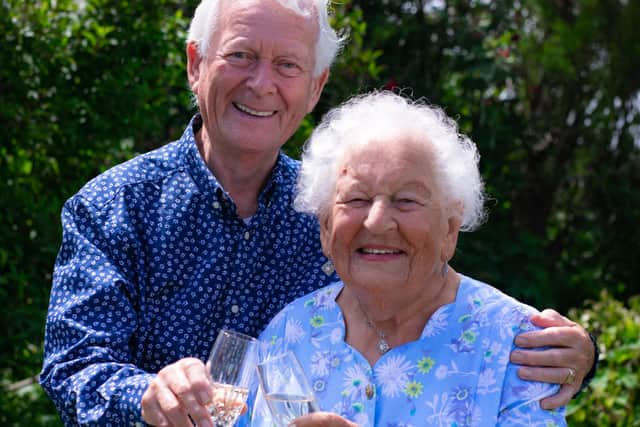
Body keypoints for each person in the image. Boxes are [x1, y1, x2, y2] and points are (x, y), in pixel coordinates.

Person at [38, 0, 596, 426]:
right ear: (195, 64)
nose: (262, 83)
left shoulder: (338, 205)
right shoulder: (114, 207)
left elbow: (435, 295)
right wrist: (146, 398)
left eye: (287, 65)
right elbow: (71, 366)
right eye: (240, 55)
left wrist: (571, 354)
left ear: (314, 88)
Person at [251, 91, 567, 426]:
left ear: (449, 228)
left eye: (406, 201)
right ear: (326, 226)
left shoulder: (516, 343)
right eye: (356, 198)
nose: (376, 221)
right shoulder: (289, 332)